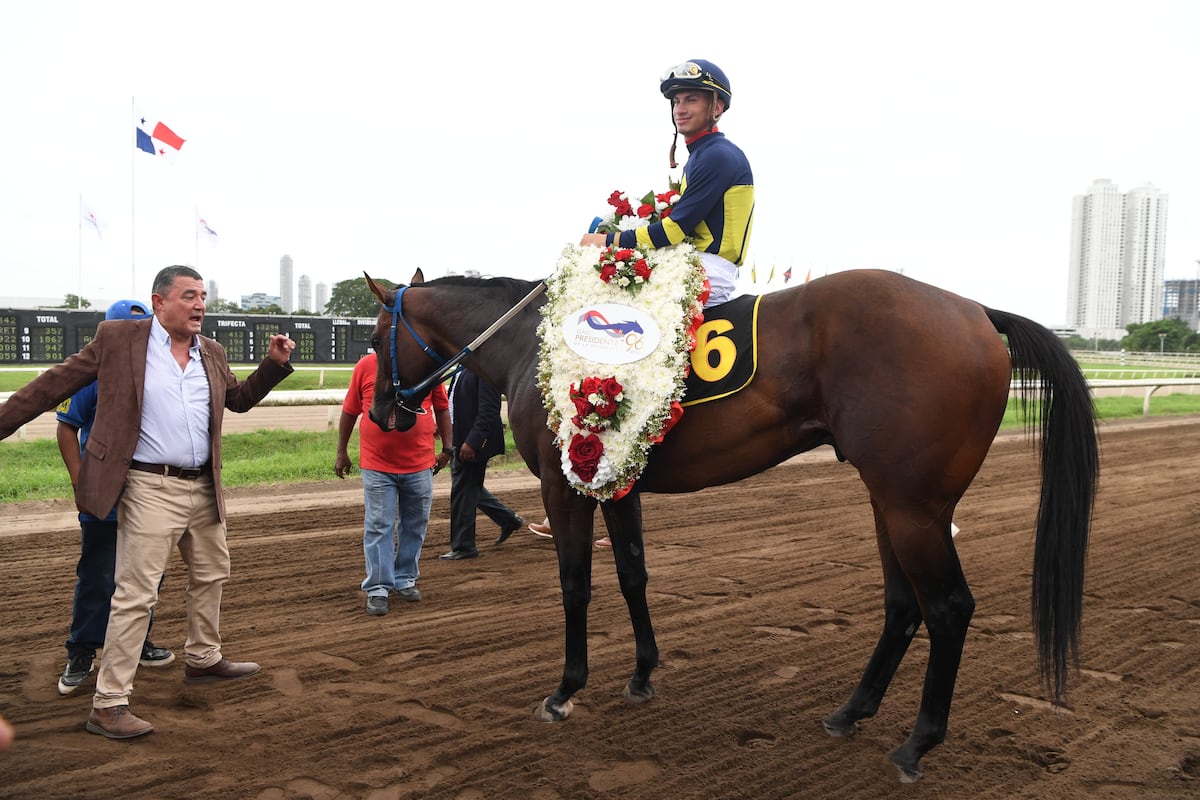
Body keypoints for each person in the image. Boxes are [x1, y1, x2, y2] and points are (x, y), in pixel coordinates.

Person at [0, 265, 296, 740]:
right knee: (136, 594)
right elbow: (55, 383)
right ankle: (109, 703)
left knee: (211, 573)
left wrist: (273, 365)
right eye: (188, 296)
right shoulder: (120, 340)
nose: (199, 304)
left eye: (203, 296)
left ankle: (202, 658)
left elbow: (237, 401)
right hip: (149, 486)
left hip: (203, 486)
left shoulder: (212, 352)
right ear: (159, 302)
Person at [54, 299, 175, 697]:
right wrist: (80, 483)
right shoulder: (92, 377)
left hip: (149, 496)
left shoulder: (159, 373)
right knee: (98, 575)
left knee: (145, 575)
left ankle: (137, 642)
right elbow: (66, 428)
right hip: (104, 496)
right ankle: (83, 650)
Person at [580, 59, 753, 308]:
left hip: (708, 271)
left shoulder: (717, 155)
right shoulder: (703, 154)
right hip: (695, 263)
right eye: (676, 101)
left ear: (717, 107)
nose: (680, 109)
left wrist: (607, 241)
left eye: (691, 99)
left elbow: (673, 231)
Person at [335, 352, 452, 615]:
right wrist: (341, 451)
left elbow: (442, 407)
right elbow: (350, 410)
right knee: (378, 525)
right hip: (377, 466)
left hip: (421, 464)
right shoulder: (365, 365)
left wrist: (448, 447)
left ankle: (405, 578)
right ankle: (377, 588)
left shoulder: (426, 365)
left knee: (415, 524)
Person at [440, 368, 524, 560]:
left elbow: (489, 411)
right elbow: (455, 402)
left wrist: (473, 442)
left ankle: (464, 546)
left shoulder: (484, 370)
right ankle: (508, 519)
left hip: (472, 443)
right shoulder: (462, 369)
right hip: (461, 438)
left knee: (463, 491)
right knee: (469, 488)